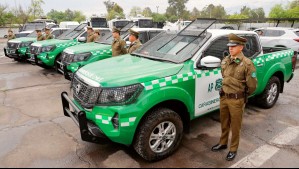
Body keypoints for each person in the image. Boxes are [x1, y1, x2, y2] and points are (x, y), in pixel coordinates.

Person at [211, 33, 257, 161]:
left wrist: (242, 97)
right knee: (224, 122)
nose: (231, 48)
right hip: (224, 97)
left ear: (241, 47)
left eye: (234, 46)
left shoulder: (247, 63)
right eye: (230, 46)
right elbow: (224, 76)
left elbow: (252, 85)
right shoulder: (225, 60)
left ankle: (233, 149)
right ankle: (223, 142)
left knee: (235, 126)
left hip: (237, 99)